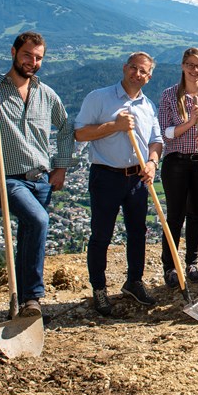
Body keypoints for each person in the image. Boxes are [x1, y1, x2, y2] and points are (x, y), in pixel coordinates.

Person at [0, 31, 77, 318]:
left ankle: (25, 304)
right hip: (7, 178)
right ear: (13, 52)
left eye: (38, 58)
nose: (32, 62)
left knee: (30, 234)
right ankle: (34, 295)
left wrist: (60, 167)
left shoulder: (46, 95)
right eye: (27, 55)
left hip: (41, 180)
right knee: (38, 219)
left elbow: (65, 129)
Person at [73, 52, 163, 316]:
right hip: (106, 176)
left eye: (144, 71)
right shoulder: (99, 98)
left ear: (149, 77)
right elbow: (80, 133)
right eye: (134, 68)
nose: (138, 74)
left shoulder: (147, 106)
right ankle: (99, 288)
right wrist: (115, 125)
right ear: (124, 68)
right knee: (102, 235)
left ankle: (134, 281)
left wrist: (152, 162)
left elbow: (156, 140)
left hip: (137, 177)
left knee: (138, 232)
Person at [158, 48, 198, 288]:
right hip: (176, 161)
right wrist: (190, 123)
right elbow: (166, 133)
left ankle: (192, 263)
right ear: (182, 66)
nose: (195, 70)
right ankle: (170, 266)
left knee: (196, 214)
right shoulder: (169, 96)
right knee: (174, 216)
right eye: (190, 65)